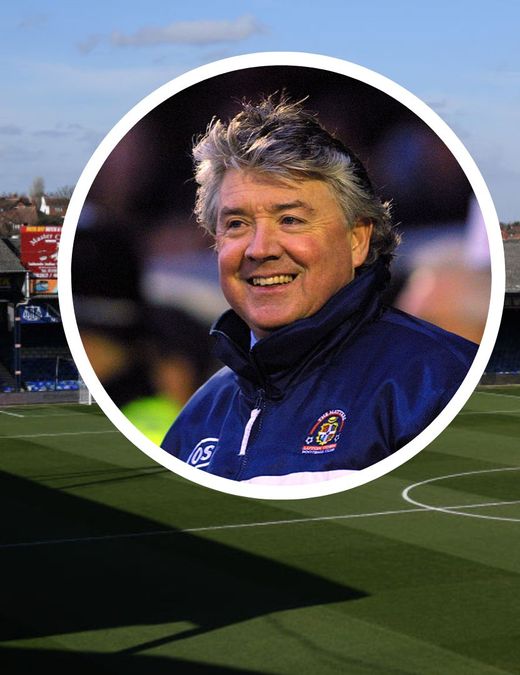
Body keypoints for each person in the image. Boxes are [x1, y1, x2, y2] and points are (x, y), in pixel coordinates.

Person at [160, 95, 477, 484]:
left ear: (358, 240)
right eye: (237, 224)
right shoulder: (198, 416)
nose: (260, 249)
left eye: (290, 219)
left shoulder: (437, 381)